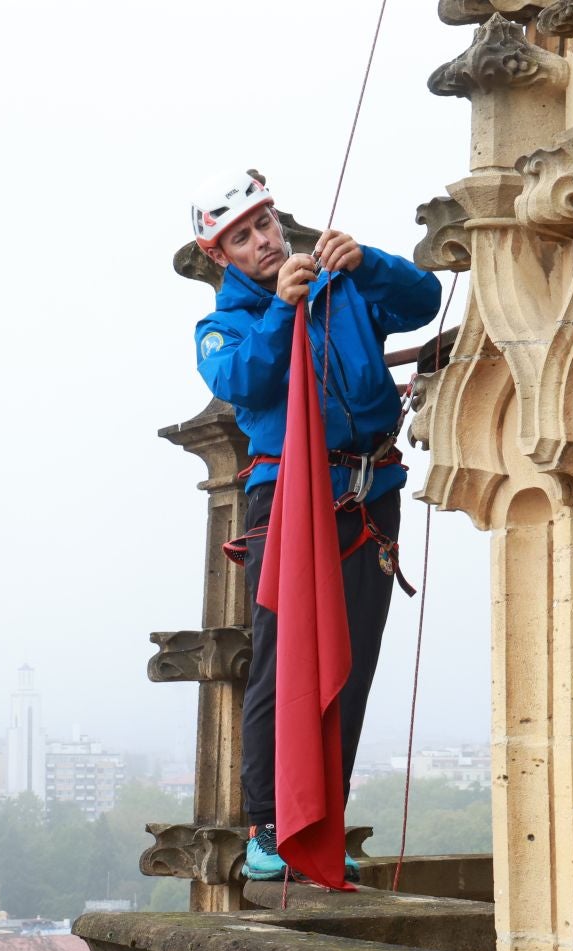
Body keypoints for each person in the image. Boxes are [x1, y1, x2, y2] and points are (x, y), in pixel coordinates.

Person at [189, 171, 442, 881]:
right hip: (290, 501)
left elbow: (422, 301)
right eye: (243, 237)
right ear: (222, 257)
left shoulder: (344, 285)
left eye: (265, 225)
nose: (264, 242)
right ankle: (269, 826)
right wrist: (281, 311)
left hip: (369, 495)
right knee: (283, 661)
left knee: (349, 665)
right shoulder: (222, 326)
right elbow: (244, 381)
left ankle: (321, 826)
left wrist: (372, 261)